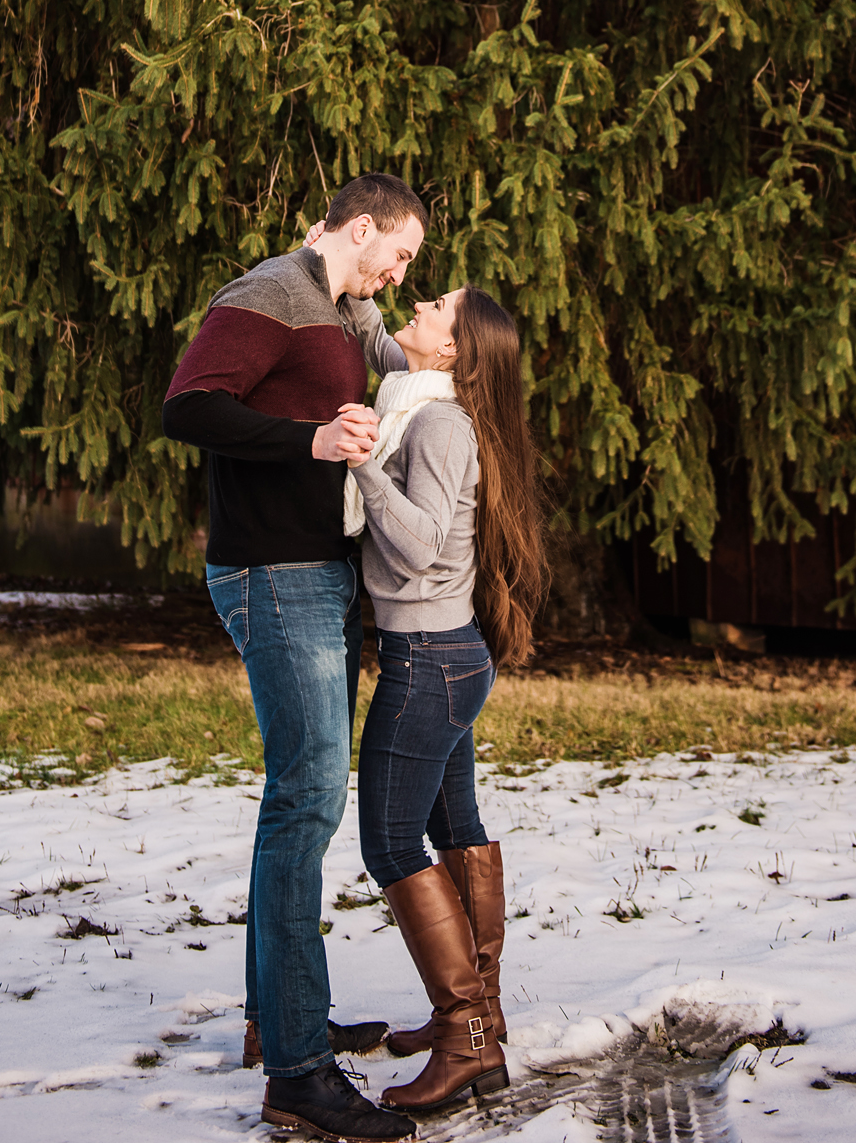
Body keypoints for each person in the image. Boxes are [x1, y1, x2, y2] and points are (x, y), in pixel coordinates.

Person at [162, 172, 427, 1143]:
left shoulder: (347, 314)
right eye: (397, 254)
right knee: (308, 796)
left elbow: (404, 368)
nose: (399, 273)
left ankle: (277, 1019)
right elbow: (187, 406)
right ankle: (298, 1074)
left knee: (300, 793)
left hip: (320, 572)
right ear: (361, 229)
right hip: (271, 573)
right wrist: (307, 437)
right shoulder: (269, 292)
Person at [342, 278, 549, 1117]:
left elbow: (423, 543)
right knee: (452, 829)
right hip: (449, 654)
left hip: (429, 657)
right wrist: (346, 272)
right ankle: (478, 1017)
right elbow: (374, 337)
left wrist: (361, 462)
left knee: (391, 843)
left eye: (434, 308)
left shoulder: (433, 421)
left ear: (453, 349)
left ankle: (467, 1037)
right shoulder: (422, 394)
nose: (417, 306)